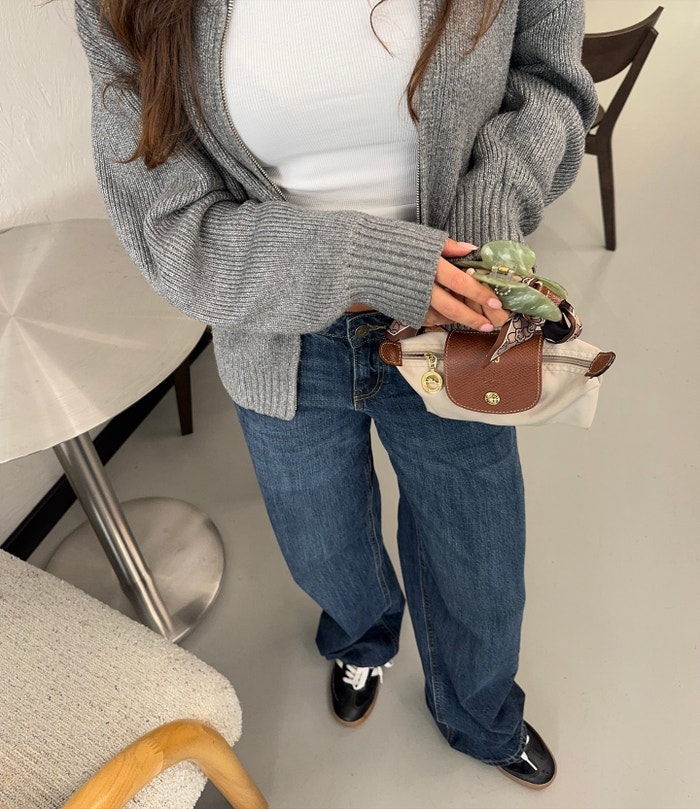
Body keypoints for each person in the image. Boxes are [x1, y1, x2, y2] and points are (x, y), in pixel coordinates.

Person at [74, 0, 597, 791]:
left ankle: (479, 711)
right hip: (277, 332)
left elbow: (550, 79)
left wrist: (486, 229)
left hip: (458, 322)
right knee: (322, 543)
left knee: (480, 556)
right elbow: (169, 226)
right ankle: (362, 640)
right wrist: (370, 262)